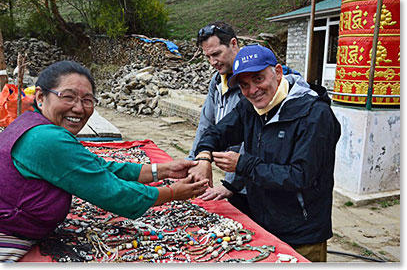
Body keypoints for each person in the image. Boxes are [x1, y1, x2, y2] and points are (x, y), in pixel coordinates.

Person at [0, 60, 208, 262]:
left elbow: (99, 167)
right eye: (68, 97)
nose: (79, 108)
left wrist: (163, 170)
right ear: (40, 97)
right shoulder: (47, 139)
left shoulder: (31, 123)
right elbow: (112, 192)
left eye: (87, 100)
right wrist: (173, 193)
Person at [190, 45, 341, 262]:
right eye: (244, 85)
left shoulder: (316, 115)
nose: (252, 90)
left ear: (278, 73)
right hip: (262, 222)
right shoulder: (250, 107)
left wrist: (244, 165)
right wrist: (204, 157)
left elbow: (301, 176)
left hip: (301, 232)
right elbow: (216, 132)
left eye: (258, 79)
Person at [188, 21, 251, 216]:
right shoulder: (217, 82)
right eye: (208, 57)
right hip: (232, 178)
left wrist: (231, 185)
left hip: (252, 181)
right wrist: (194, 162)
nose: (213, 62)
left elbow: (254, 139)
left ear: (233, 44)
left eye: (216, 54)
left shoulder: (253, 85)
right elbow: (206, 125)